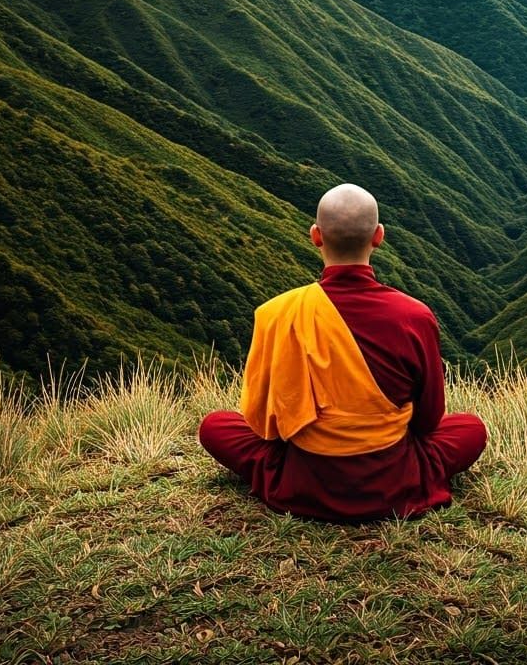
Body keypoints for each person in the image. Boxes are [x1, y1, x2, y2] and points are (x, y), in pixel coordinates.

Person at [198, 182, 487, 522]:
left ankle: (305, 487)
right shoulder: (414, 316)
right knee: (471, 429)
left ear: (315, 236)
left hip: (304, 477)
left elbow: (264, 426)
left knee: (215, 426)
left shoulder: (277, 313)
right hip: (392, 477)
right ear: (378, 236)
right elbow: (429, 420)